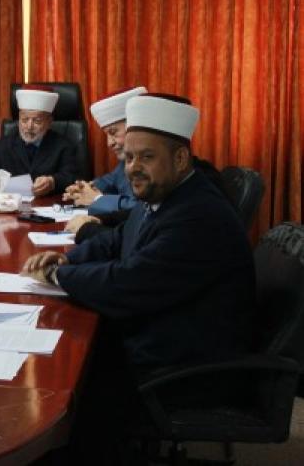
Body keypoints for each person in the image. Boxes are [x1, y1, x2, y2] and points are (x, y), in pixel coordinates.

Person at [23, 93, 254, 462]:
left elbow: (127, 284)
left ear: (180, 159)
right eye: (129, 158)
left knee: (70, 383)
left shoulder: (198, 215)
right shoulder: (167, 195)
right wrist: (68, 259)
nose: (133, 168)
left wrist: (59, 276)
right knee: (65, 357)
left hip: (187, 368)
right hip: (163, 336)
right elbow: (118, 239)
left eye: (146, 157)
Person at [0, 85, 78, 196]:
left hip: (48, 204)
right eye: (24, 120)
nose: (29, 126)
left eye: (37, 121)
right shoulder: (3, 146)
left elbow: (73, 178)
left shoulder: (63, 146)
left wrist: (52, 182)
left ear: (49, 122)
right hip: (12, 204)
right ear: (18, 120)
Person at [62, 87, 146, 215]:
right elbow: (110, 180)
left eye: (113, 132)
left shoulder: (153, 161)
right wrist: (84, 188)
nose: (109, 143)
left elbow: (141, 209)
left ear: (135, 126)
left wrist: (97, 199)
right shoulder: (126, 161)